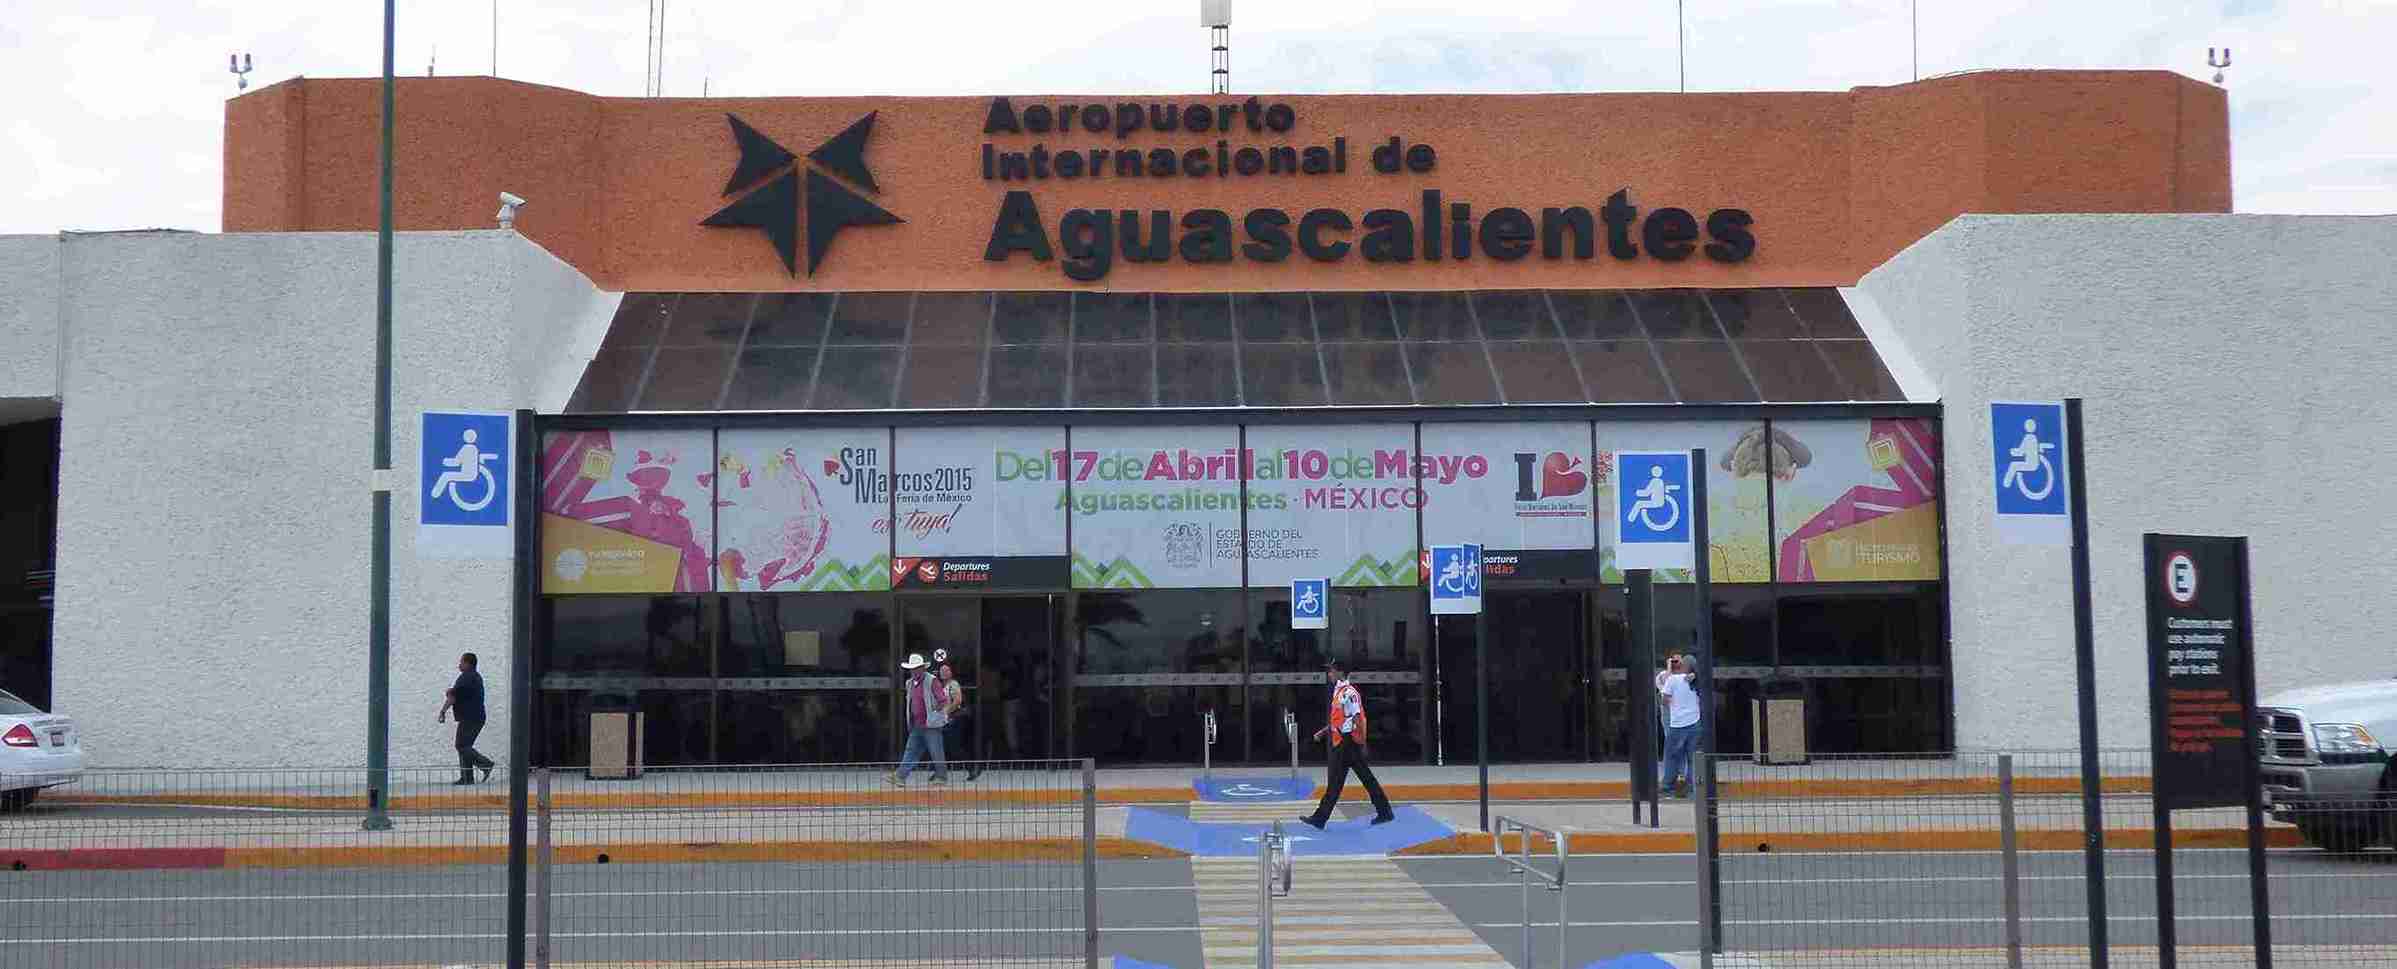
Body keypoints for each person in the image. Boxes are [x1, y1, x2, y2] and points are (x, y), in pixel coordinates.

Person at [1300, 659, 1395, 829]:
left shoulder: (1349, 693)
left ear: (1340, 673)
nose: (1329, 674)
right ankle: (1384, 811)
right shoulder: (1339, 692)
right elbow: (1340, 719)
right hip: (1344, 742)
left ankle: (1320, 818)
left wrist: (1362, 743)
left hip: (1348, 742)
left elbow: (1358, 719)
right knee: (1362, 779)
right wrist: (1323, 732)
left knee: (1337, 782)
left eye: (1331, 671)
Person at [889, 653, 949, 787]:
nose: (914, 671)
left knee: (936, 750)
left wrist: (934, 713)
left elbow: (943, 700)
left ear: (922, 668)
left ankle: (942, 777)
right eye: (912, 668)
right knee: (911, 750)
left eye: (916, 668)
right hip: (917, 724)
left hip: (931, 724)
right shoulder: (909, 683)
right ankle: (900, 776)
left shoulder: (932, 680)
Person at [436, 652, 495, 785]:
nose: (459, 665)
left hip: (470, 718)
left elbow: (453, 696)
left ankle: (485, 765)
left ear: (468, 663)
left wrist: (443, 711)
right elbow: (459, 693)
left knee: (461, 745)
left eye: (461, 662)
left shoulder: (466, 677)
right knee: (465, 745)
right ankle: (467, 778)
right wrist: (452, 691)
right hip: (475, 717)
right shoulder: (474, 676)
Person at [1657, 653, 1703, 798]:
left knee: (1672, 756)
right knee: (1692, 758)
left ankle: (1667, 787)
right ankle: (1692, 791)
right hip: (1694, 723)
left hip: (1677, 725)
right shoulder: (1697, 681)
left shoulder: (1673, 679)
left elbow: (1665, 700)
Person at [937, 659, 981, 782]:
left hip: (954, 719)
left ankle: (972, 768)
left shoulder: (953, 684)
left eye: (946, 670)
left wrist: (946, 712)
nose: (944, 673)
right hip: (944, 720)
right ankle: (939, 772)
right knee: (942, 746)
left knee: (955, 747)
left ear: (951, 672)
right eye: (942, 671)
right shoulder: (940, 685)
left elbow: (957, 701)